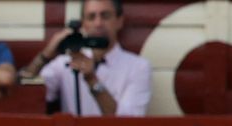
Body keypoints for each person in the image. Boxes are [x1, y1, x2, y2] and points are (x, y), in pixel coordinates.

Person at [20, 0, 149, 116]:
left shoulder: (138, 67)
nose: (98, 23)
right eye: (91, 17)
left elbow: (129, 122)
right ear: (83, 24)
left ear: (119, 21)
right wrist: (45, 55)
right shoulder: (66, 61)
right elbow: (27, 93)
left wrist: (92, 80)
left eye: (105, 16)